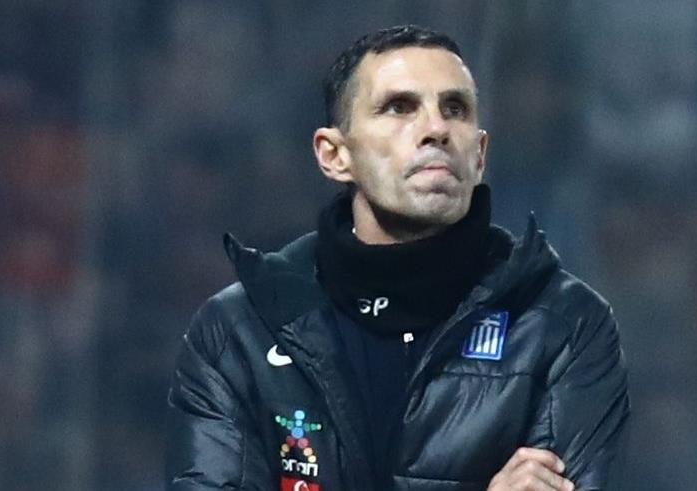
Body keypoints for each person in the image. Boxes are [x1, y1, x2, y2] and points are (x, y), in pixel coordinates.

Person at [166, 25, 630, 491]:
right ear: (334, 155)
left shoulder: (564, 326)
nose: (436, 130)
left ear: (480, 155)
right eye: (399, 107)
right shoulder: (238, 333)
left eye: (455, 109)